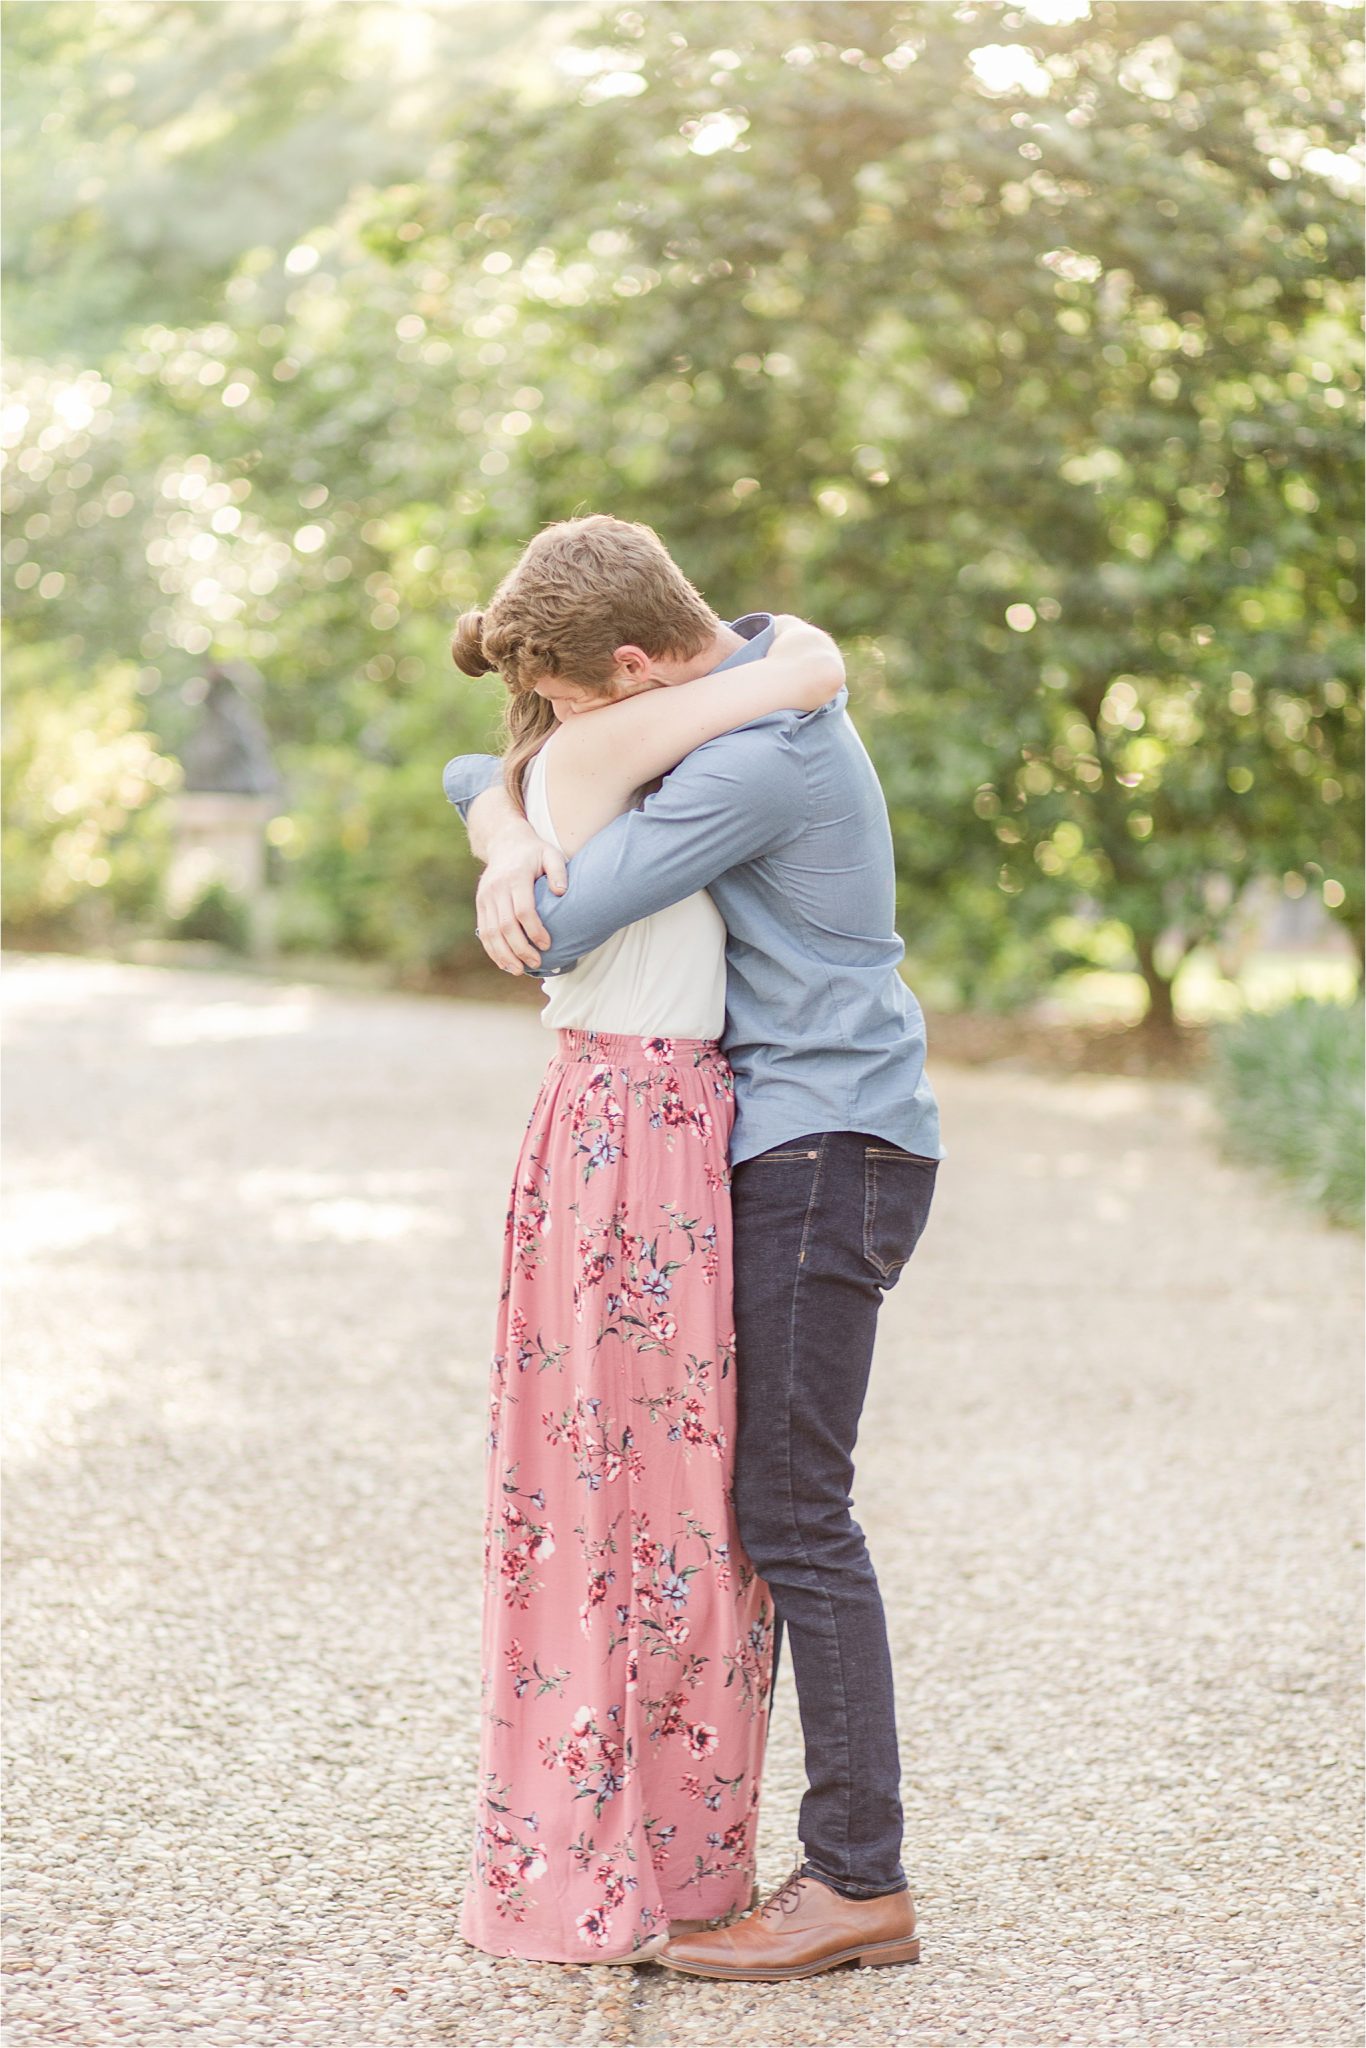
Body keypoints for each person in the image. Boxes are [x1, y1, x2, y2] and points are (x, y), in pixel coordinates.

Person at [445, 515, 944, 1983]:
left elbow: (568, 920)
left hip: (821, 1146)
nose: (588, 734)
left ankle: (858, 1880)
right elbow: (495, 769)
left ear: (633, 663)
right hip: (792, 1140)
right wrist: (502, 822)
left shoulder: (752, 758)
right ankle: (723, 1842)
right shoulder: (755, 694)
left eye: (591, 702)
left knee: (795, 1519)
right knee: (751, 1514)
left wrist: (524, 848)